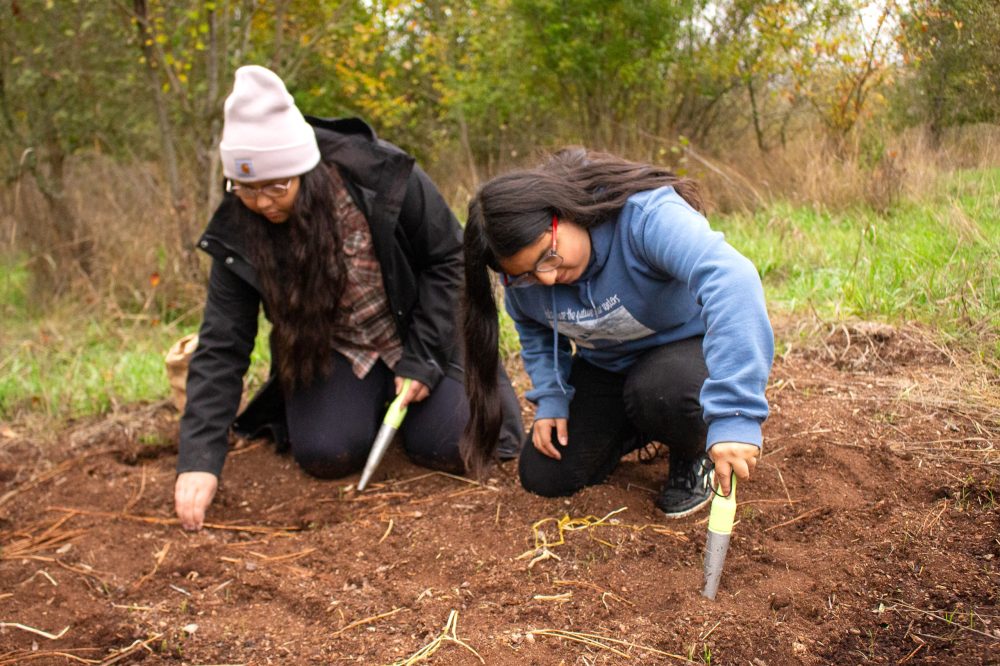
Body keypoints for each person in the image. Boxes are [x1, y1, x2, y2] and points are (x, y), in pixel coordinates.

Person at [175, 65, 521, 531]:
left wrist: (421, 359)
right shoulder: (240, 227)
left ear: (305, 168)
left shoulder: (382, 176)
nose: (264, 202)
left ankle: (445, 392)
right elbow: (222, 341)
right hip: (339, 347)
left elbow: (450, 260)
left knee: (449, 444)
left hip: (420, 330)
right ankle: (368, 401)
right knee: (324, 452)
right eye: (247, 189)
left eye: (278, 185)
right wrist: (199, 458)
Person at [461, 148, 773, 517]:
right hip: (610, 365)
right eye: (527, 273)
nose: (545, 278)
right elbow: (532, 326)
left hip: (686, 353)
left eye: (548, 256)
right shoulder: (523, 276)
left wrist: (735, 415)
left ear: (565, 211)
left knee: (660, 392)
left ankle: (692, 449)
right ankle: (643, 425)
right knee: (545, 474)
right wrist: (552, 397)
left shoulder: (644, 216)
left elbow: (731, 278)